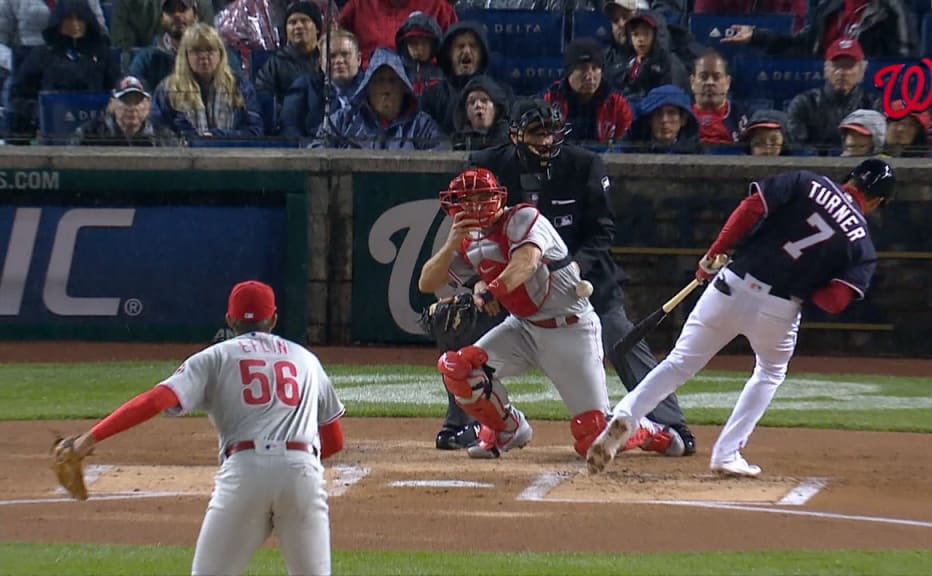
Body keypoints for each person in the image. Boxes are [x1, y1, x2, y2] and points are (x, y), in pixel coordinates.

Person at [586, 158, 896, 477]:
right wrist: (805, 281)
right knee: (769, 373)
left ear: (851, 178)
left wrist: (714, 253)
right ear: (877, 201)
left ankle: (626, 413)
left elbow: (751, 207)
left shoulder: (806, 181)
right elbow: (834, 302)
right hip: (780, 308)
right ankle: (727, 452)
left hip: (731, 283)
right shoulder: (863, 247)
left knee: (678, 363)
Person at [52, 280, 346, 575]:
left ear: (229, 320)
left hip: (245, 473)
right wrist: (288, 471)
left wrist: (87, 440)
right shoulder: (307, 360)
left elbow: (156, 401)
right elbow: (333, 441)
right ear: (273, 319)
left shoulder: (215, 357)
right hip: (303, 475)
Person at [469, 98, 697, 454]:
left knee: (621, 337)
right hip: (518, 287)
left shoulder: (585, 165)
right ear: (515, 135)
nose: (545, 141)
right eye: (536, 133)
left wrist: (574, 265)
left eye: (551, 133)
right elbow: (475, 232)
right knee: (468, 352)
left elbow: (602, 231)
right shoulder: (489, 167)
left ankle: (669, 424)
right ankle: (474, 426)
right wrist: (481, 282)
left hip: (582, 280)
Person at [418, 167, 688, 460]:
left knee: (592, 436)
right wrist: (450, 245)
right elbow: (427, 282)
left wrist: (488, 291)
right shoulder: (468, 239)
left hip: (570, 330)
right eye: (467, 200)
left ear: (497, 197)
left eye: (482, 197)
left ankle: (653, 432)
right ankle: (508, 429)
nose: (475, 206)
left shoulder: (522, 218)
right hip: (522, 328)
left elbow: (527, 262)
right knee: (459, 369)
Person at [7, 0, 119, 139]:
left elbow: (117, 89)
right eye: (69, 19)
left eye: (80, 19)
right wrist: (39, 110)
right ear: (58, 22)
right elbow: (17, 97)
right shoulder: (41, 55)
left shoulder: (103, 55)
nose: (75, 24)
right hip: (50, 133)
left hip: (97, 135)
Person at [150, 22, 263, 141]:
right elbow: (159, 131)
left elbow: (255, 131)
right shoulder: (167, 89)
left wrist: (219, 137)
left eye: (210, 50)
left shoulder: (240, 87)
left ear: (221, 54)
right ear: (185, 55)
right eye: (196, 51)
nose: (204, 56)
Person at [313, 47, 441, 149]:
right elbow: (316, 151)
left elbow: (440, 156)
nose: (386, 89)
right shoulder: (342, 121)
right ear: (368, 87)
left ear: (404, 88)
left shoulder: (422, 125)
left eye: (392, 81)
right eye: (380, 80)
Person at [721, 0, 918, 59]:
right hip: (823, 92)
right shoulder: (829, 8)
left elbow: (902, 65)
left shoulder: (893, 11)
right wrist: (757, 35)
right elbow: (802, 47)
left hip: (869, 99)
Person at [783, 38, 878, 154]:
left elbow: (877, 145)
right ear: (826, 69)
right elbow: (798, 146)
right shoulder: (804, 103)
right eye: (836, 66)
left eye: (849, 66)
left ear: (862, 71)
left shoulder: (873, 105)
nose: (842, 72)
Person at [542, 37, 633, 150]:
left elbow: (625, 147)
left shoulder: (617, 104)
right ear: (569, 72)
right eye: (582, 69)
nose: (590, 77)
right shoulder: (550, 99)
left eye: (595, 68)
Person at [280, 27, 362, 141]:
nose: (339, 61)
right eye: (331, 56)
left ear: (359, 59)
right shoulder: (304, 86)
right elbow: (289, 127)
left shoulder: (372, 88)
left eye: (345, 54)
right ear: (320, 62)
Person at [254, 1, 323, 116]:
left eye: (304, 21)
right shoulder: (275, 63)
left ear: (317, 28)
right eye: (292, 22)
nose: (298, 26)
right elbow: (263, 96)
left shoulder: (328, 60)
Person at [71, 75, 168, 146]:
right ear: (112, 104)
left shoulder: (163, 136)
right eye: (125, 100)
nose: (132, 107)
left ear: (148, 105)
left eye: (138, 101)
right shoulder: (88, 134)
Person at [689, 49, 746, 147]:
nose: (710, 82)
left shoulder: (741, 115)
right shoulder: (682, 116)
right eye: (703, 77)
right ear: (692, 82)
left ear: (728, 82)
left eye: (716, 77)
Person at [624, 83, 700, 154]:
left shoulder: (696, 153)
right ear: (650, 120)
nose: (664, 120)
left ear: (683, 120)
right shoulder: (631, 151)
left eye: (671, 113)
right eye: (658, 113)